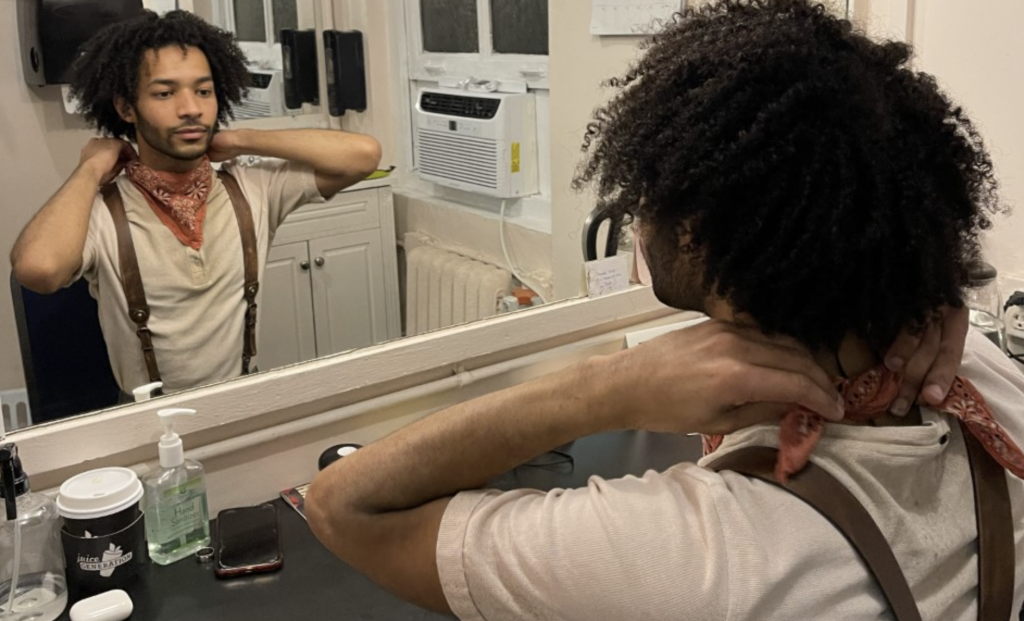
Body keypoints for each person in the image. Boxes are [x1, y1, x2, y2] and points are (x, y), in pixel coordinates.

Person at [305, 1, 1024, 619]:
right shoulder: (981, 377)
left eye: (653, 179)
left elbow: (342, 506)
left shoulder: (696, 556)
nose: (636, 202)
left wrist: (603, 387)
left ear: (702, 234)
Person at [9, 10, 381, 396]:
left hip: (241, 403)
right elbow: (39, 269)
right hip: (150, 422)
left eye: (203, 91)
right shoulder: (103, 210)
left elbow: (363, 155)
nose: (191, 108)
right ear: (125, 108)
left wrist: (240, 139)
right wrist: (89, 170)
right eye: (165, 93)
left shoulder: (251, 187)